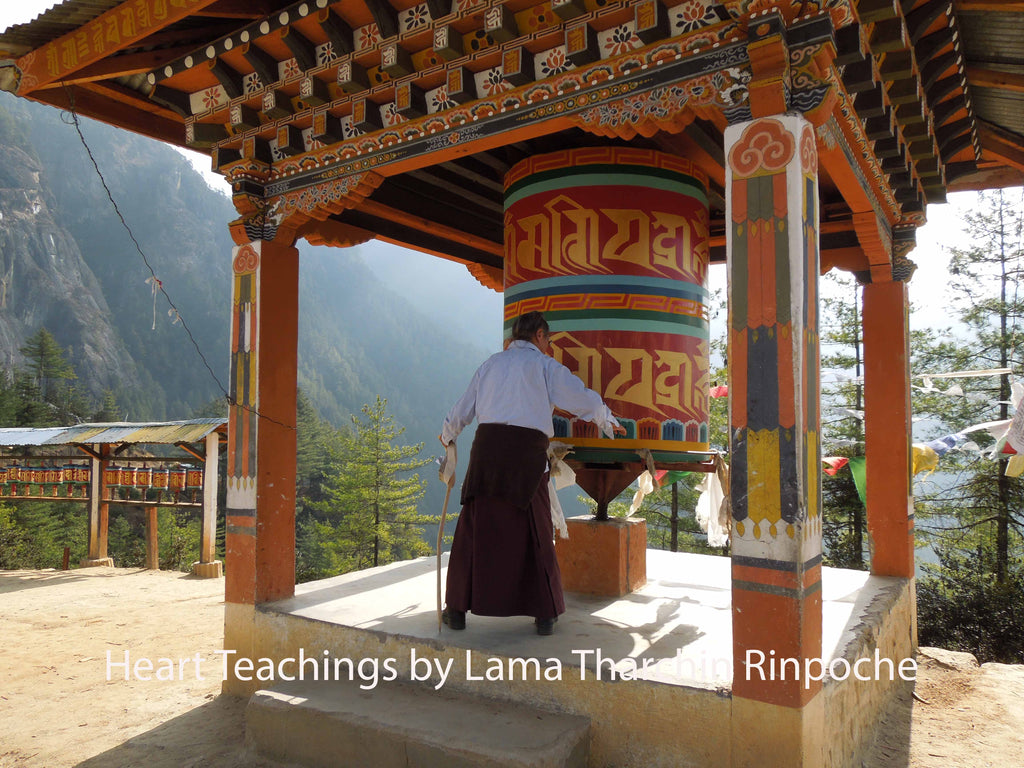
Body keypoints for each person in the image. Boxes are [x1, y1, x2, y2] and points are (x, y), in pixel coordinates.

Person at [438, 311, 625, 635]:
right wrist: (606, 419)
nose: (549, 347)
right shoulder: (544, 366)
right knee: (535, 529)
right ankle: (545, 614)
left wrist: (448, 434)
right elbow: (579, 396)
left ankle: (455, 610)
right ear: (539, 335)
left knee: (473, 527)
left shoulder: (491, 365)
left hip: (487, 451)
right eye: (548, 341)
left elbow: (462, 408)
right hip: (525, 453)